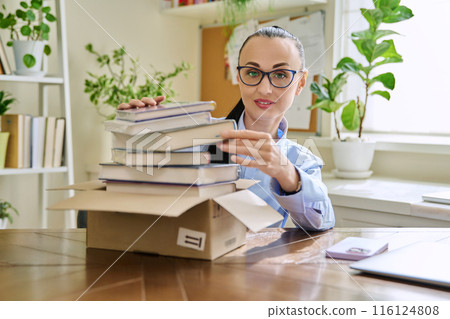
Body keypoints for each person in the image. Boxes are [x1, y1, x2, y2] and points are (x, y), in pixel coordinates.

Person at [118, 26, 335, 231]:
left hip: (258, 266)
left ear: (300, 82)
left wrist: (285, 172)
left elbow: (321, 221)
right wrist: (138, 129)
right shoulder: (195, 135)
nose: (265, 88)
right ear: (238, 75)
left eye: (280, 75)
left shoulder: (302, 160)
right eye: (252, 73)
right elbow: (132, 180)